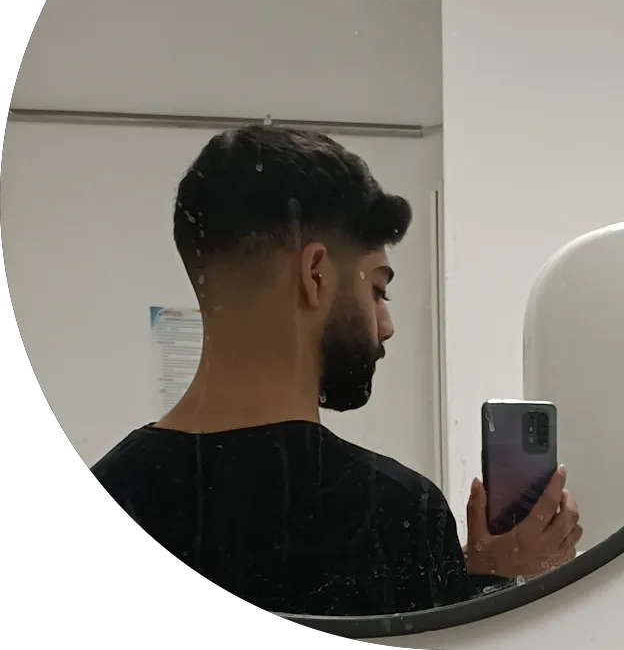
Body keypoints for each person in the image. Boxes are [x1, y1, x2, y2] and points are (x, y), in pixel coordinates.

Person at [89, 125, 582, 616]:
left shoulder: (116, 485)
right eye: (378, 290)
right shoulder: (393, 514)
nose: (386, 326)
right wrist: (496, 585)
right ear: (316, 275)